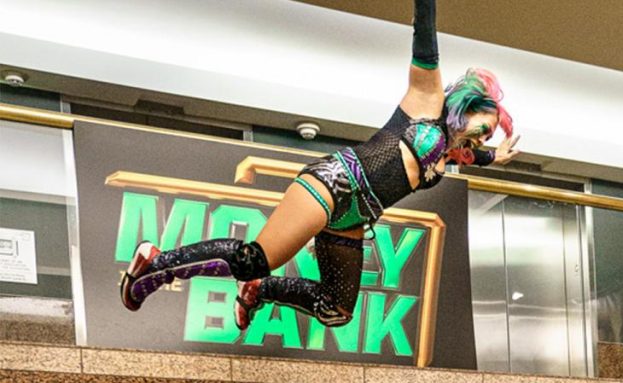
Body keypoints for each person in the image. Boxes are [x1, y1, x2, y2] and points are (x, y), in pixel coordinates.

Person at [120, 0, 519, 331]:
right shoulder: (426, 102)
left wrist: (492, 155)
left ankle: (261, 290)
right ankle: (156, 263)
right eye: (485, 129)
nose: (483, 140)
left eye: (486, 139)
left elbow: (472, 152)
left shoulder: (448, 153)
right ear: (467, 106)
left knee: (336, 310)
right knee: (253, 258)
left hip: (351, 218)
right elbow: (426, 40)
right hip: (336, 183)